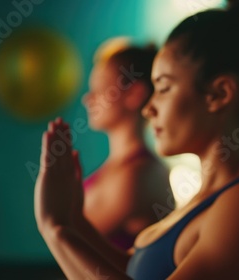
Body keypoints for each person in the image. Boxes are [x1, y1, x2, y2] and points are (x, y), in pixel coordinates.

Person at [34, 7, 239, 280]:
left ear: (220, 93)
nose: (149, 108)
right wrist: (72, 220)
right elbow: (131, 271)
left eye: (164, 88)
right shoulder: (214, 198)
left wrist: (56, 229)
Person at [80, 40, 174, 250]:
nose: (88, 98)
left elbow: (72, 236)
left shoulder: (139, 174)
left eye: (100, 88)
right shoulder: (122, 167)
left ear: (134, 94)